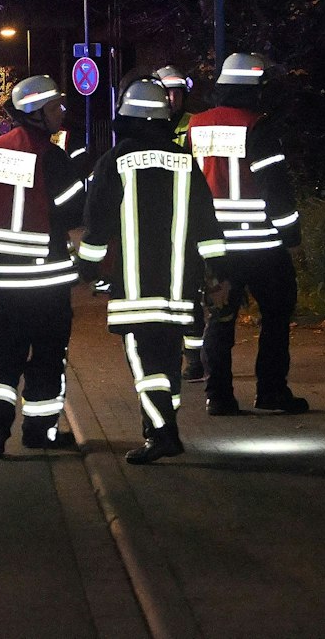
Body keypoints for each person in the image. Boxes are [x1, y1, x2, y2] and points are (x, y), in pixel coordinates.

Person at [77, 80, 227, 464]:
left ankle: (162, 434)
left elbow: (98, 225)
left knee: (145, 364)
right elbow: (207, 224)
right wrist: (218, 273)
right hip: (180, 285)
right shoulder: (185, 161)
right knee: (167, 360)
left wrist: (87, 268)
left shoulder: (113, 161)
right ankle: (163, 423)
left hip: (135, 288)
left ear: (126, 116)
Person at [0, 75, 89, 457]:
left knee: (2, 353)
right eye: (55, 107)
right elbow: (73, 211)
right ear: (36, 113)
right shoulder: (54, 158)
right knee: (48, 354)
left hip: (1, 279)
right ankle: (40, 431)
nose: (61, 113)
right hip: (47, 279)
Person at [186, 52, 310, 415]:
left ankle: (218, 397)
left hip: (215, 246)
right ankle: (271, 391)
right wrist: (292, 237)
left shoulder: (195, 126)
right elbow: (276, 189)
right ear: (255, 88)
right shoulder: (258, 126)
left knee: (219, 319)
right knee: (275, 314)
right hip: (262, 247)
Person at [152, 64, 207, 381]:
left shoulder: (194, 125)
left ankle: (194, 357)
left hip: (187, 221)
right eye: (167, 92)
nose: (173, 98)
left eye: (177, 92)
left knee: (190, 292)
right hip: (158, 221)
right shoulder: (147, 128)